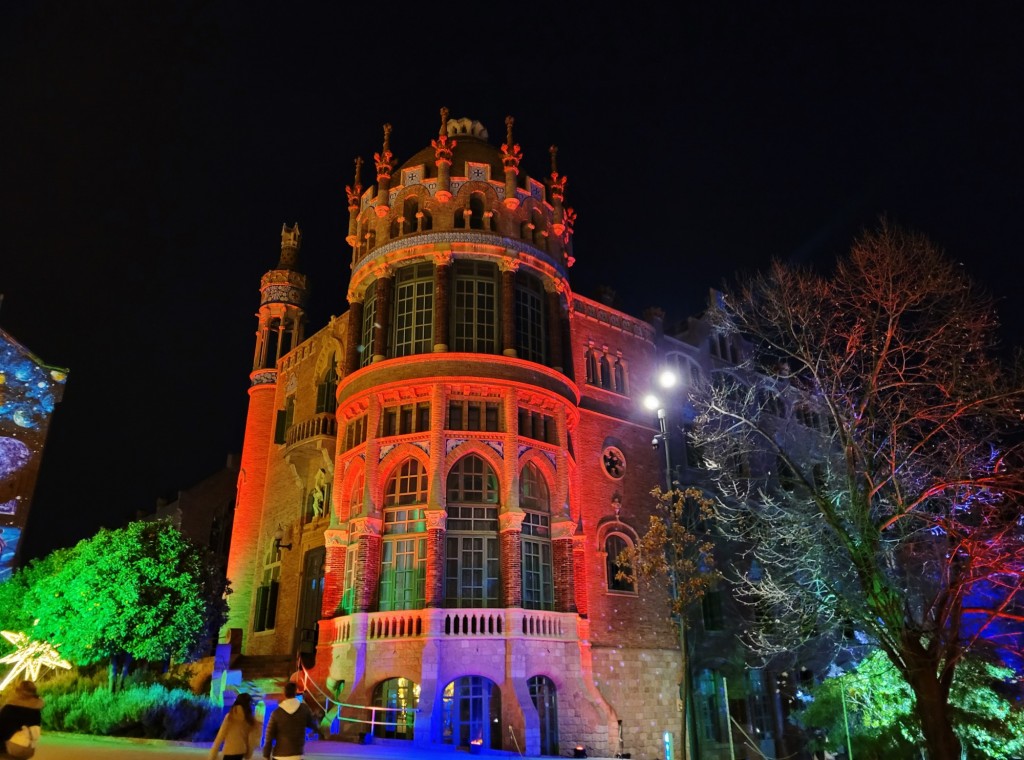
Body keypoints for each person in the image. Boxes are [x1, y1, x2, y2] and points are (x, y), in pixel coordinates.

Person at [263, 681, 320, 760]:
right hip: (297, 754)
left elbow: (269, 736)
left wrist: (266, 754)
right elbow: (312, 724)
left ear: (284, 693)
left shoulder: (276, 713)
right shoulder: (304, 709)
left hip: (279, 755)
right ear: (295, 692)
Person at [209, 692, 261, 760]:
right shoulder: (249, 719)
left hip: (229, 750)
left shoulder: (230, 717)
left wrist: (214, 752)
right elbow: (251, 739)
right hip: (241, 751)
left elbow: (221, 735)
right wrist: (248, 754)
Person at [0, 680, 44, 759]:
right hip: (29, 749)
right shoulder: (36, 711)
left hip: (12, 748)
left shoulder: (10, 708)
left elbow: (3, 730)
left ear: (18, 692)